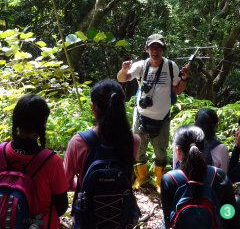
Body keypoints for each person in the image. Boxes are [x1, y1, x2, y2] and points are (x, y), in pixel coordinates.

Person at [117, 33, 189, 191]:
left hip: (162, 118)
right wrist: (124, 69)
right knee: (138, 149)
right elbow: (122, 79)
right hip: (141, 116)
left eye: (159, 47)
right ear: (146, 49)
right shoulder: (141, 65)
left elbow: (177, 90)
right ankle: (141, 179)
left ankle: (159, 182)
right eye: (152, 47)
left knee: (161, 151)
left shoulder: (171, 66)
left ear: (163, 49)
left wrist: (183, 79)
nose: (155, 50)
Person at [64, 79, 141, 227]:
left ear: (93, 107)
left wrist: (84, 182)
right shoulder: (133, 141)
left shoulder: (79, 142)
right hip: (121, 214)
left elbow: (64, 183)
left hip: (88, 215)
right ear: (121, 106)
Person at [0, 94, 69, 228]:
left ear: (16, 121)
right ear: (43, 124)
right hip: (40, 225)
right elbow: (62, 207)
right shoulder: (51, 161)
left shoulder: (1, 151)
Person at [161, 125, 240, 229]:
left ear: (178, 151)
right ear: (204, 148)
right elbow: (228, 212)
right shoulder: (219, 175)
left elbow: (168, 218)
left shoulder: (169, 179)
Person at [173, 108, 229, 172]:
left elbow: (175, 168)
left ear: (195, 124)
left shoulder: (181, 141)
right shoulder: (222, 148)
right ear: (216, 125)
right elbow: (224, 175)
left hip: (180, 180)